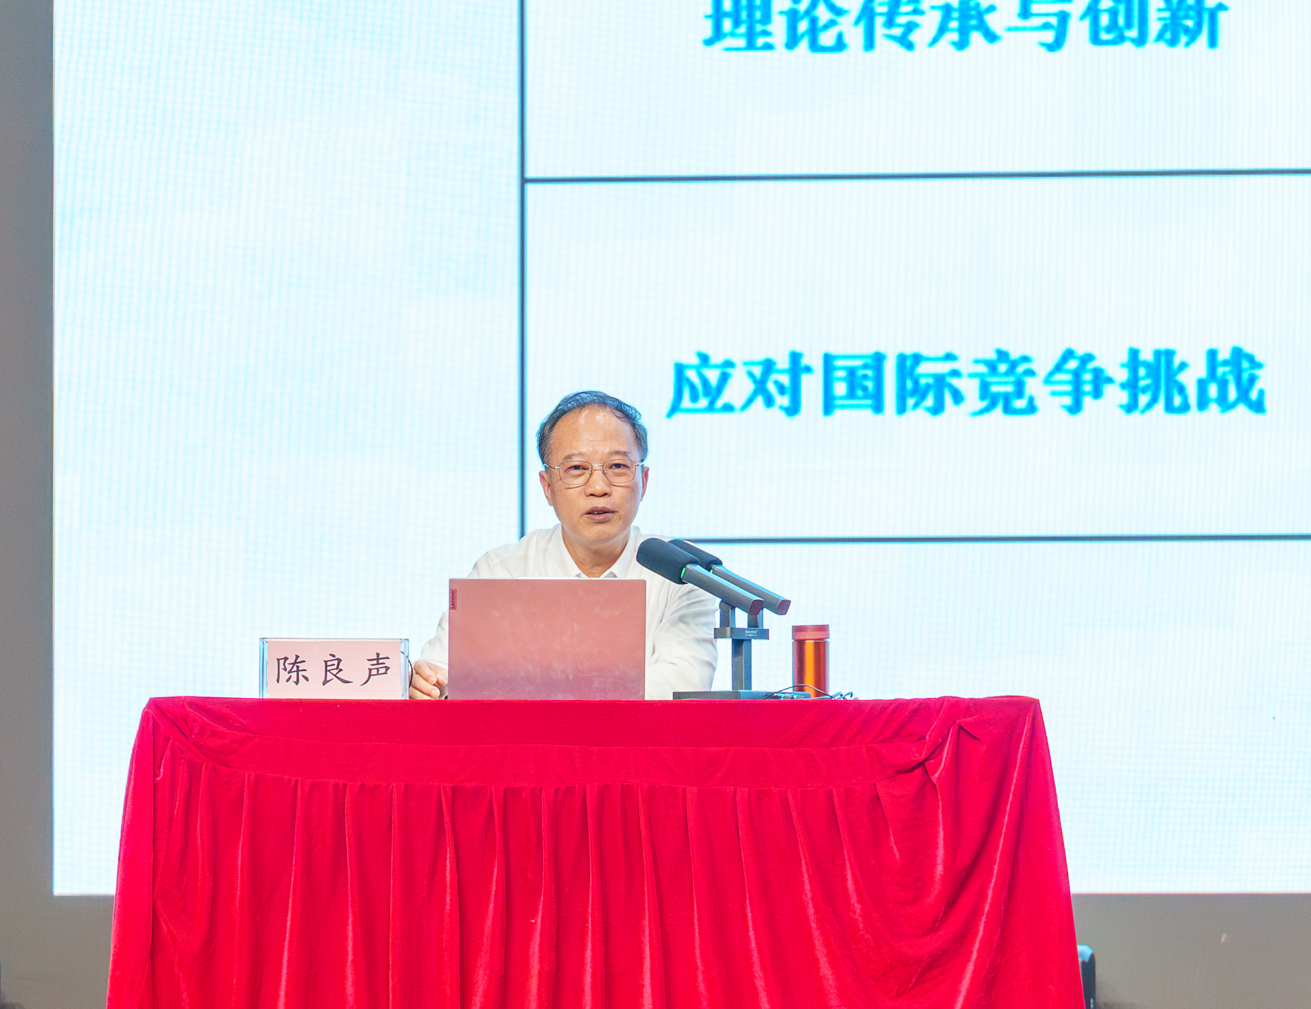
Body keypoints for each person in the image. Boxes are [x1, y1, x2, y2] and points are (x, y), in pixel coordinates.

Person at [409, 391, 717, 700]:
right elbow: (443, 671)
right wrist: (427, 682)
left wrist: (547, 694)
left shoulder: (682, 572)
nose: (598, 488)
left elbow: (684, 683)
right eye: (577, 469)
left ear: (644, 481)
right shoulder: (501, 571)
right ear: (547, 487)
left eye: (617, 466)